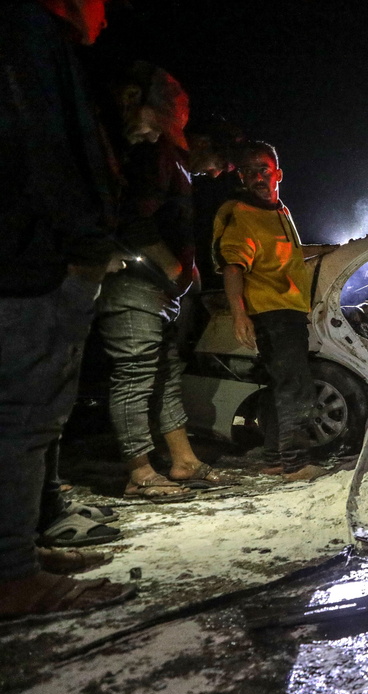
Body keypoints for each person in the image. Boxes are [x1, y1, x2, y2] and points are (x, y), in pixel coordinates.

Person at [0, 0, 136, 619]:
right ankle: (13, 576)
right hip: (34, 262)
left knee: (27, 418)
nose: (102, 15)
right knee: (24, 417)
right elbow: (48, 148)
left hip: (33, 253)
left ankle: (20, 552)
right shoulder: (28, 32)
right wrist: (85, 242)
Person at [95, 63, 235, 501]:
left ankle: (183, 459)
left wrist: (185, 271)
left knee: (165, 374)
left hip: (158, 288)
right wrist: (174, 268)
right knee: (135, 374)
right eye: (219, 163)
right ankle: (138, 470)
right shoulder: (156, 156)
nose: (216, 173)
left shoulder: (171, 161)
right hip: (134, 283)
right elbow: (136, 221)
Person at [215, 142, 327, 481]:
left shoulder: (279, 212)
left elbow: (288, 253)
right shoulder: (243, 215)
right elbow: (232, 267)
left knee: (282, 386)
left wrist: (332, 249)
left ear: (277, 173)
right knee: (297, 387)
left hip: (287, 310)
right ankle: (295, 463)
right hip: (273, 313)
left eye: (263, 169)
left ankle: (277, 459)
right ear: (241, 177)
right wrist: (239, 314)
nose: (257, 177)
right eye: (249, 172)